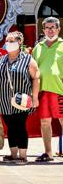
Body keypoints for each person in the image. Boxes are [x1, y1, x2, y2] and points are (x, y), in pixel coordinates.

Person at [0, 32, 40, 165]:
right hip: (3, 100)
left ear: (19, 42)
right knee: (10, 127)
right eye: (7, 40)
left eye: (11, 40)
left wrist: (35, 97)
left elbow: (36, 78)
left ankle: (23, 155)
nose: (8, 43)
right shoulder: (2, 59)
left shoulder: (28, 59)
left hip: (22, 101)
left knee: (19, 126)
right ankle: (13, 154)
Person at [31, 17, 63, 162]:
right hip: (42, 91)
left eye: (53, 27)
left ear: (58, 29)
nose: (50, 30)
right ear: (43, 30)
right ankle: (48, 153)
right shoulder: (38, 48)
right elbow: (33, 70)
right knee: (45, 122)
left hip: (60, 90)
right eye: (47, 28)